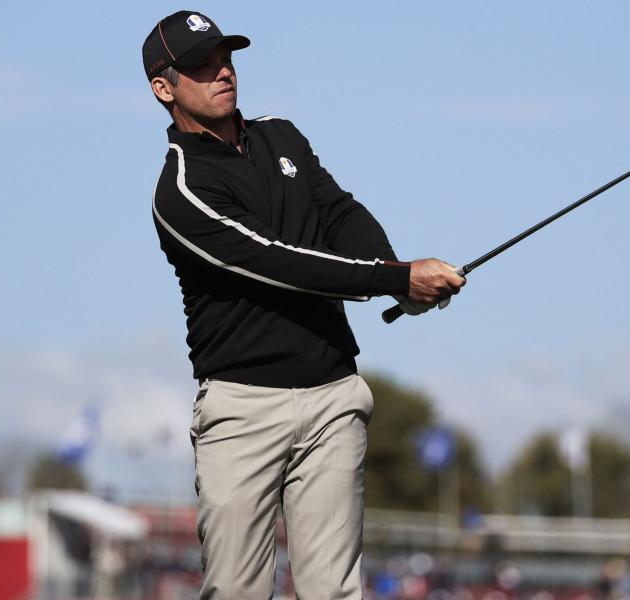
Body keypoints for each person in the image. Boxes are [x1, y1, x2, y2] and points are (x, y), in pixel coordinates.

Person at [141, 10, 466, 599]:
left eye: (225, 57)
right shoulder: (180, 190)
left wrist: (395, 274)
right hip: (242, 412)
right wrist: (394, 280)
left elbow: (338, 212)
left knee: (333, 591)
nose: (221, 72)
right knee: (238, 591)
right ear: (165, 88)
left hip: (333, 396)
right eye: (200, 65)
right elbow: (275, 264)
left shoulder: (281, 136)